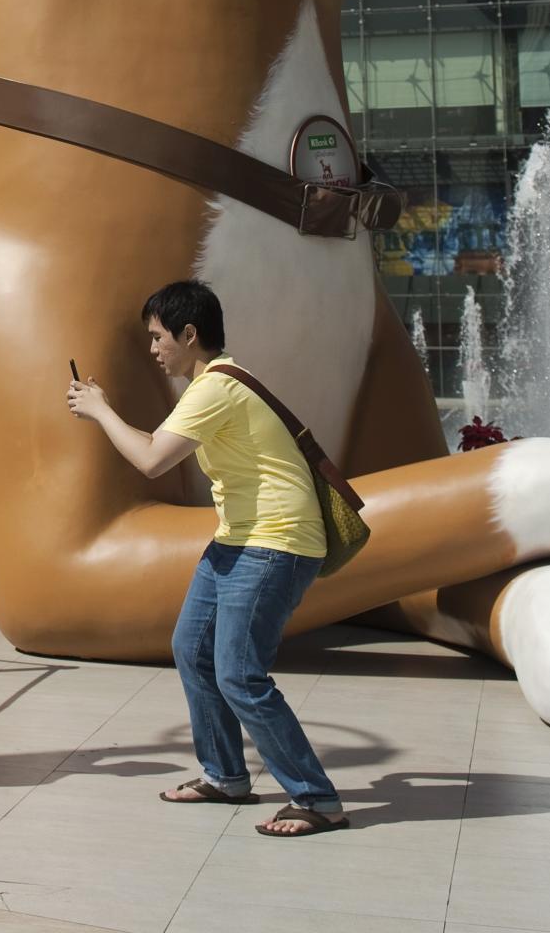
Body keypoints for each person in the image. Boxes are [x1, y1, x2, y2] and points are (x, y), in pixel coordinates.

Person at [66, 279, 346, 836]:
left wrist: (100, 411)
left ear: (189, 335)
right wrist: (108, 414)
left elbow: (149, 462)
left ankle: (317, 799)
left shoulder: (214, 388)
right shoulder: (211, 386)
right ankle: (225, 777)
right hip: (240, 537)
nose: (152, 349)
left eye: (157, 337)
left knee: (240, 674)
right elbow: (158, 445)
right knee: (192, 650)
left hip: (275, 540)